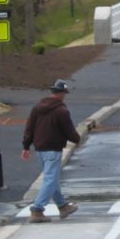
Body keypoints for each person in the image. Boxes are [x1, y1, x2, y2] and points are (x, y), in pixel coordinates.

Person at [21, 78, 90, 221]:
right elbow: (69, 130)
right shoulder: (61, 110)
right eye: (64, 92)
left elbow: (30, 127)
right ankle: (37, 209)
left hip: (40, 148)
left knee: (52, 179)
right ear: (62, 93)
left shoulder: (37, 108)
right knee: (51, 179)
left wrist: (26, 146)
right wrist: (78, 140)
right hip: (53, 148)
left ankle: (63, 206)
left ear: (52, 91)